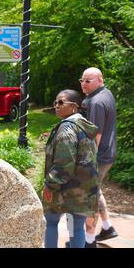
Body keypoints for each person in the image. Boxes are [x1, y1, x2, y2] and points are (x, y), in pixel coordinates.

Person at [43, 89, 99, 248]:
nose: (56, 106)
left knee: (51, 223)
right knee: (75, 227)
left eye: (61, 102)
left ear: (74, 106)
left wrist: (49, 185)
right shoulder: (84, 127)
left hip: (63, 189)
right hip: (83, 190)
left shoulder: (67, 128)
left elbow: (64, 162)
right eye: (55, 102)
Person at [80, 67, 118, 247]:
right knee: (96, 191)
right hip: (107, 154)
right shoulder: (106, 93)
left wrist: (87, 160)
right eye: (82, 80)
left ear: (99, 81)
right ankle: (107, 227)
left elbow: (96, 135)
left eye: (88, 81)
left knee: (90, 197)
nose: (83, 84)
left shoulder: (96, 102)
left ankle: (89, 240)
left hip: (98, 157)